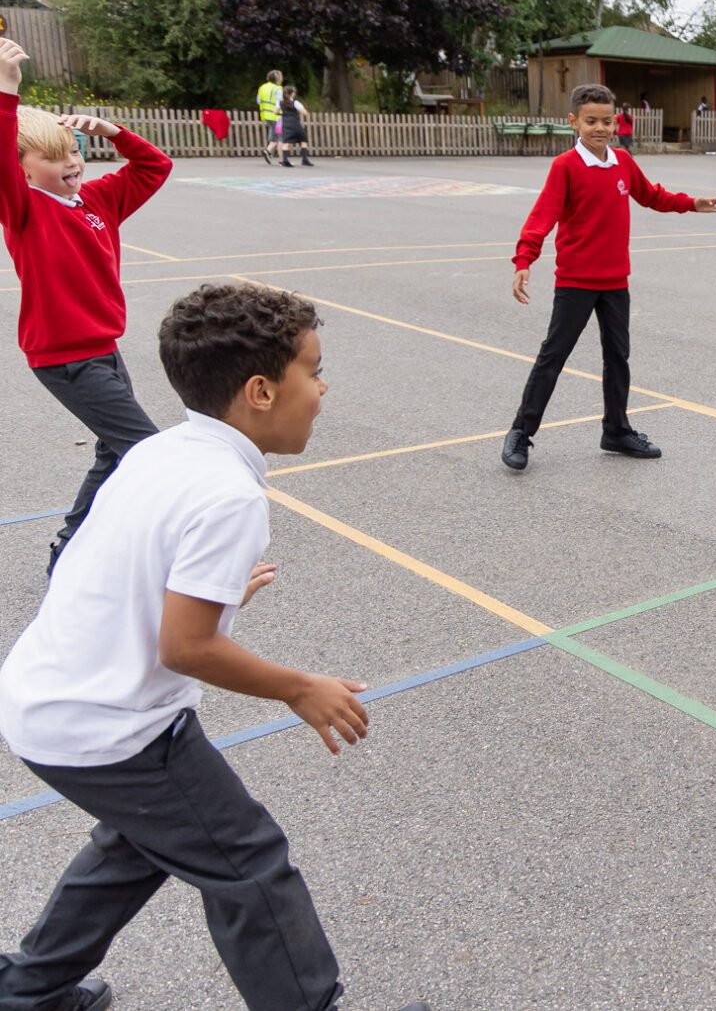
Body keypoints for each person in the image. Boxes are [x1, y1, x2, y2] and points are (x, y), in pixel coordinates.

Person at [0, 281, 430, 1011]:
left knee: (136, 847)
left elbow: (115, 564)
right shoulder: (231, 494)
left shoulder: (164, 451)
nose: (324, 389)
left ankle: (28, 989)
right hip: (114, 726)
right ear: (261, 390)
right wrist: (299, 686)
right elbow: (187, 647)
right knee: (249, 865)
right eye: (314, 371)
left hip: (48, 700)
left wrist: (213, 590)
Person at [1, 38, 174, 576]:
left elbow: (155, 166)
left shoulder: (97, 201)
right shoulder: (25, 210)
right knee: (147, 451)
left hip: (104, 350)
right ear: (24, 170)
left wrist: (112, 133)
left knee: (111, 451)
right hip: (64, 358)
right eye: (52, 158)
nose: (70, 163)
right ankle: (159, 556)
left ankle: (71, 545)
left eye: (73, 151)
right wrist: (7, 92)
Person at [501, 83, 716, 471]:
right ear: (574, 121)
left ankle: (617, 430)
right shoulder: (565, 167)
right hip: (575, 282)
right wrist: (525, 260)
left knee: (617, 357)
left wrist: (691, 203)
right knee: (552, 357)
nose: (600, 128)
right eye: (591, 121)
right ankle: (521, 432)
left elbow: (652, 195)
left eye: (607, 121)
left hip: (614, 282)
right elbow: (543, 217)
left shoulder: (622, 161)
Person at [278, 84, 314, 168]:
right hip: (295, 124)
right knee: (303, 140)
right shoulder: (295, 102)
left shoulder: (280, 102)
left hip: (286, 124)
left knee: (285, 142)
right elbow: (304, 112)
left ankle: (285, 160)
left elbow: (275, 112)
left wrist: (283, 113)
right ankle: (304, 159)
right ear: (292, 94)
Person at [255, 68, 285, 167]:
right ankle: (281, 159)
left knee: (274, 135)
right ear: (278, 78)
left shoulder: (262, 87)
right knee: (281, 137)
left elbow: (258, 101)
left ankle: (268, 151)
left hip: (266, 114)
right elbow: (279, 102)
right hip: (277, 115)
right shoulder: (278, 88)